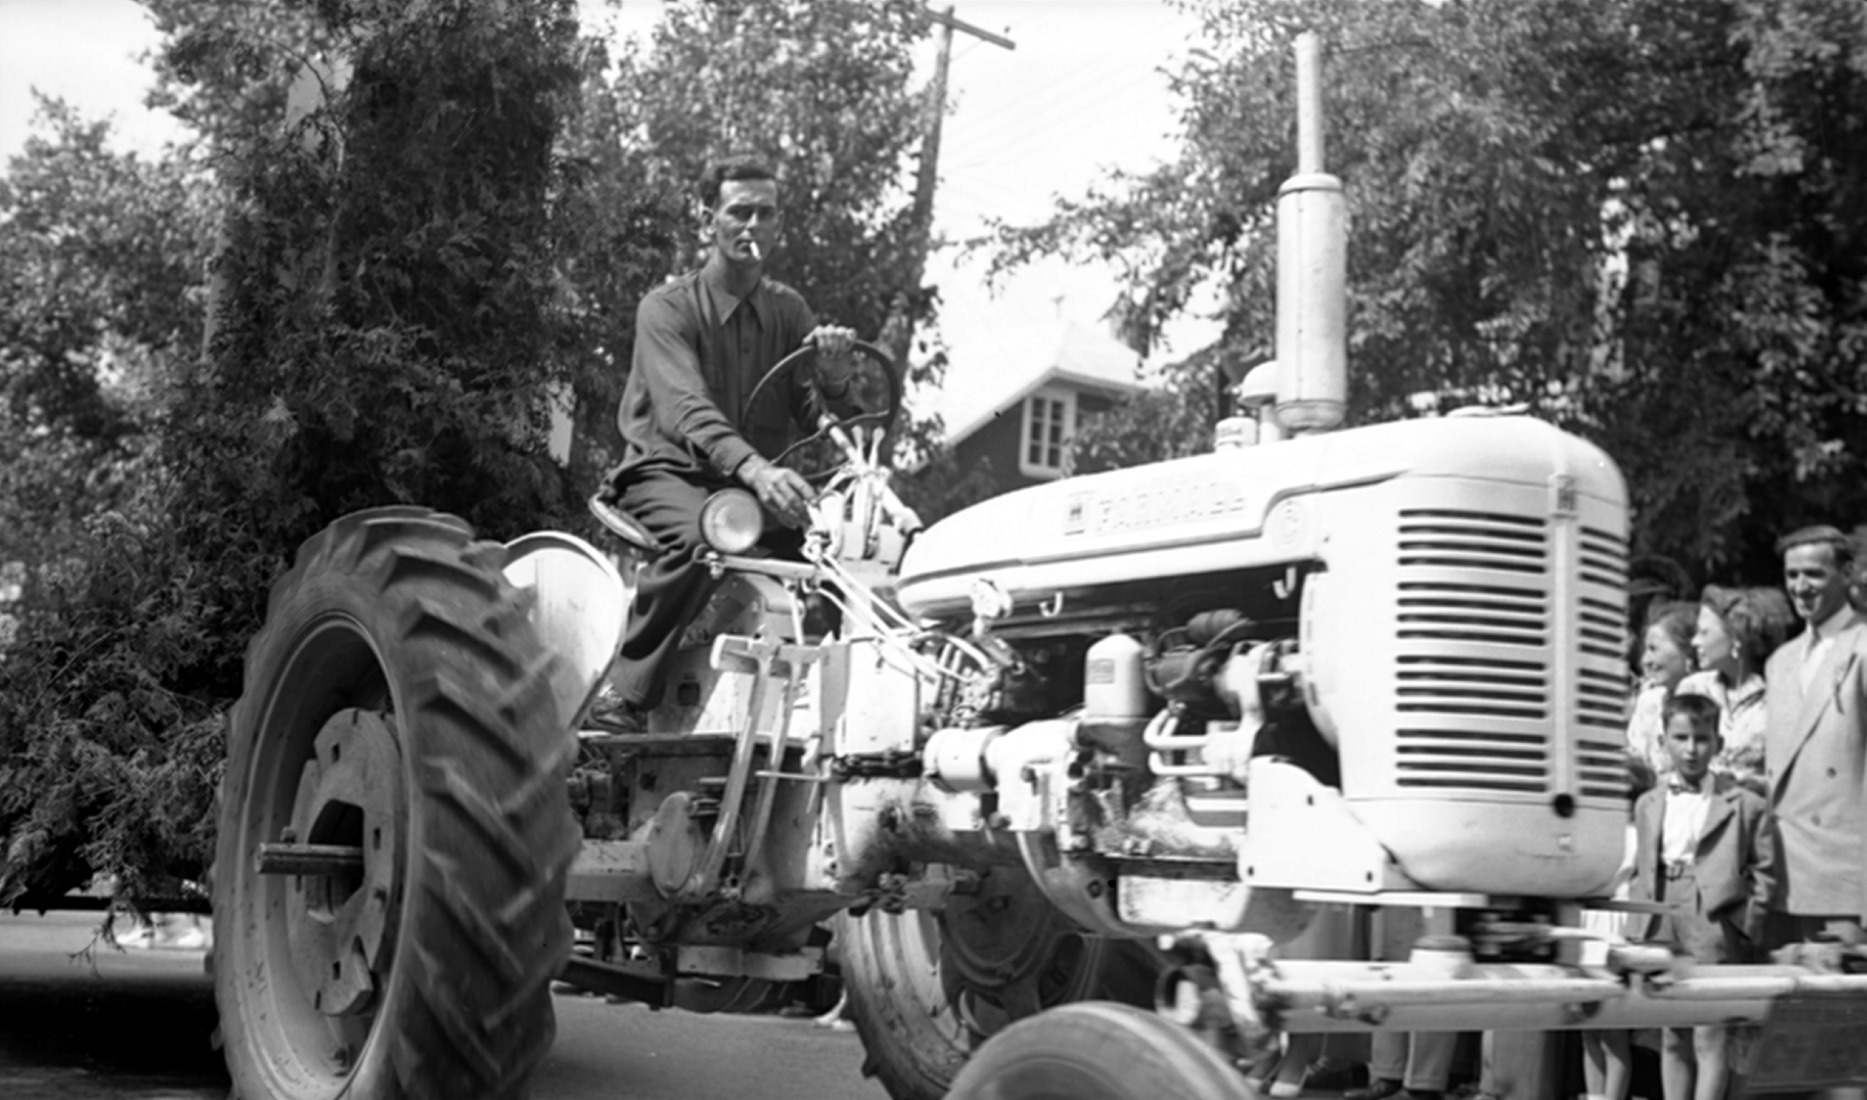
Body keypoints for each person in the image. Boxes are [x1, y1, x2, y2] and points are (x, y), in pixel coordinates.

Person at [600, 154, 859, 727]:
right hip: (664, 474)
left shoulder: (789, 312)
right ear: (706, 222)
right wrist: (757, 471)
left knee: (840, 550)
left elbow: (816, 410)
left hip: (744, 489)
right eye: (739, 212)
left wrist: (836, 376)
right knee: (716, 532)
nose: (752, 226)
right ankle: (626, 695)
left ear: (781, 226)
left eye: (765, 214)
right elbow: (686, 408)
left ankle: (835, 704)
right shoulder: (665, 310)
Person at [1628, 693, 1776, 1100]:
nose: (1691, 749)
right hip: (1661, 909)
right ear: (1663, 742)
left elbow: (1765, 871)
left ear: (1718, 744)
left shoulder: (1744, 803)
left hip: (1711, 911)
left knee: (1709, 1033)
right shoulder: (1647, 803)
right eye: (1681, 738)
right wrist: (1638, 924)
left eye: (1701, 738)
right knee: (1672, 1032)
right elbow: (1642, 866)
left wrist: (1745, 920)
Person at [1763, 525, 1867, 947]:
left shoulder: (1862, 645)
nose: (1800, 588)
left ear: (1846, 574)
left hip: (1844, 872)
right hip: (1782, 871)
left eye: (1814, 574)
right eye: (1792, 576)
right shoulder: (1780, 661)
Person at [1673, 586, 1789, 792]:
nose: (1695, 642)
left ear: (1736, 637)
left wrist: (1754, 784)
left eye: (1704, 632)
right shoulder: (1693, 688)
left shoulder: (1780, 697)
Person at [1626, 600, 1698, 778]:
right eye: (1645, 650)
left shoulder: (1714, 700)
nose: (1645, 661)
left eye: (1654, 649)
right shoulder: (1649, 703)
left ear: (1687, 650)